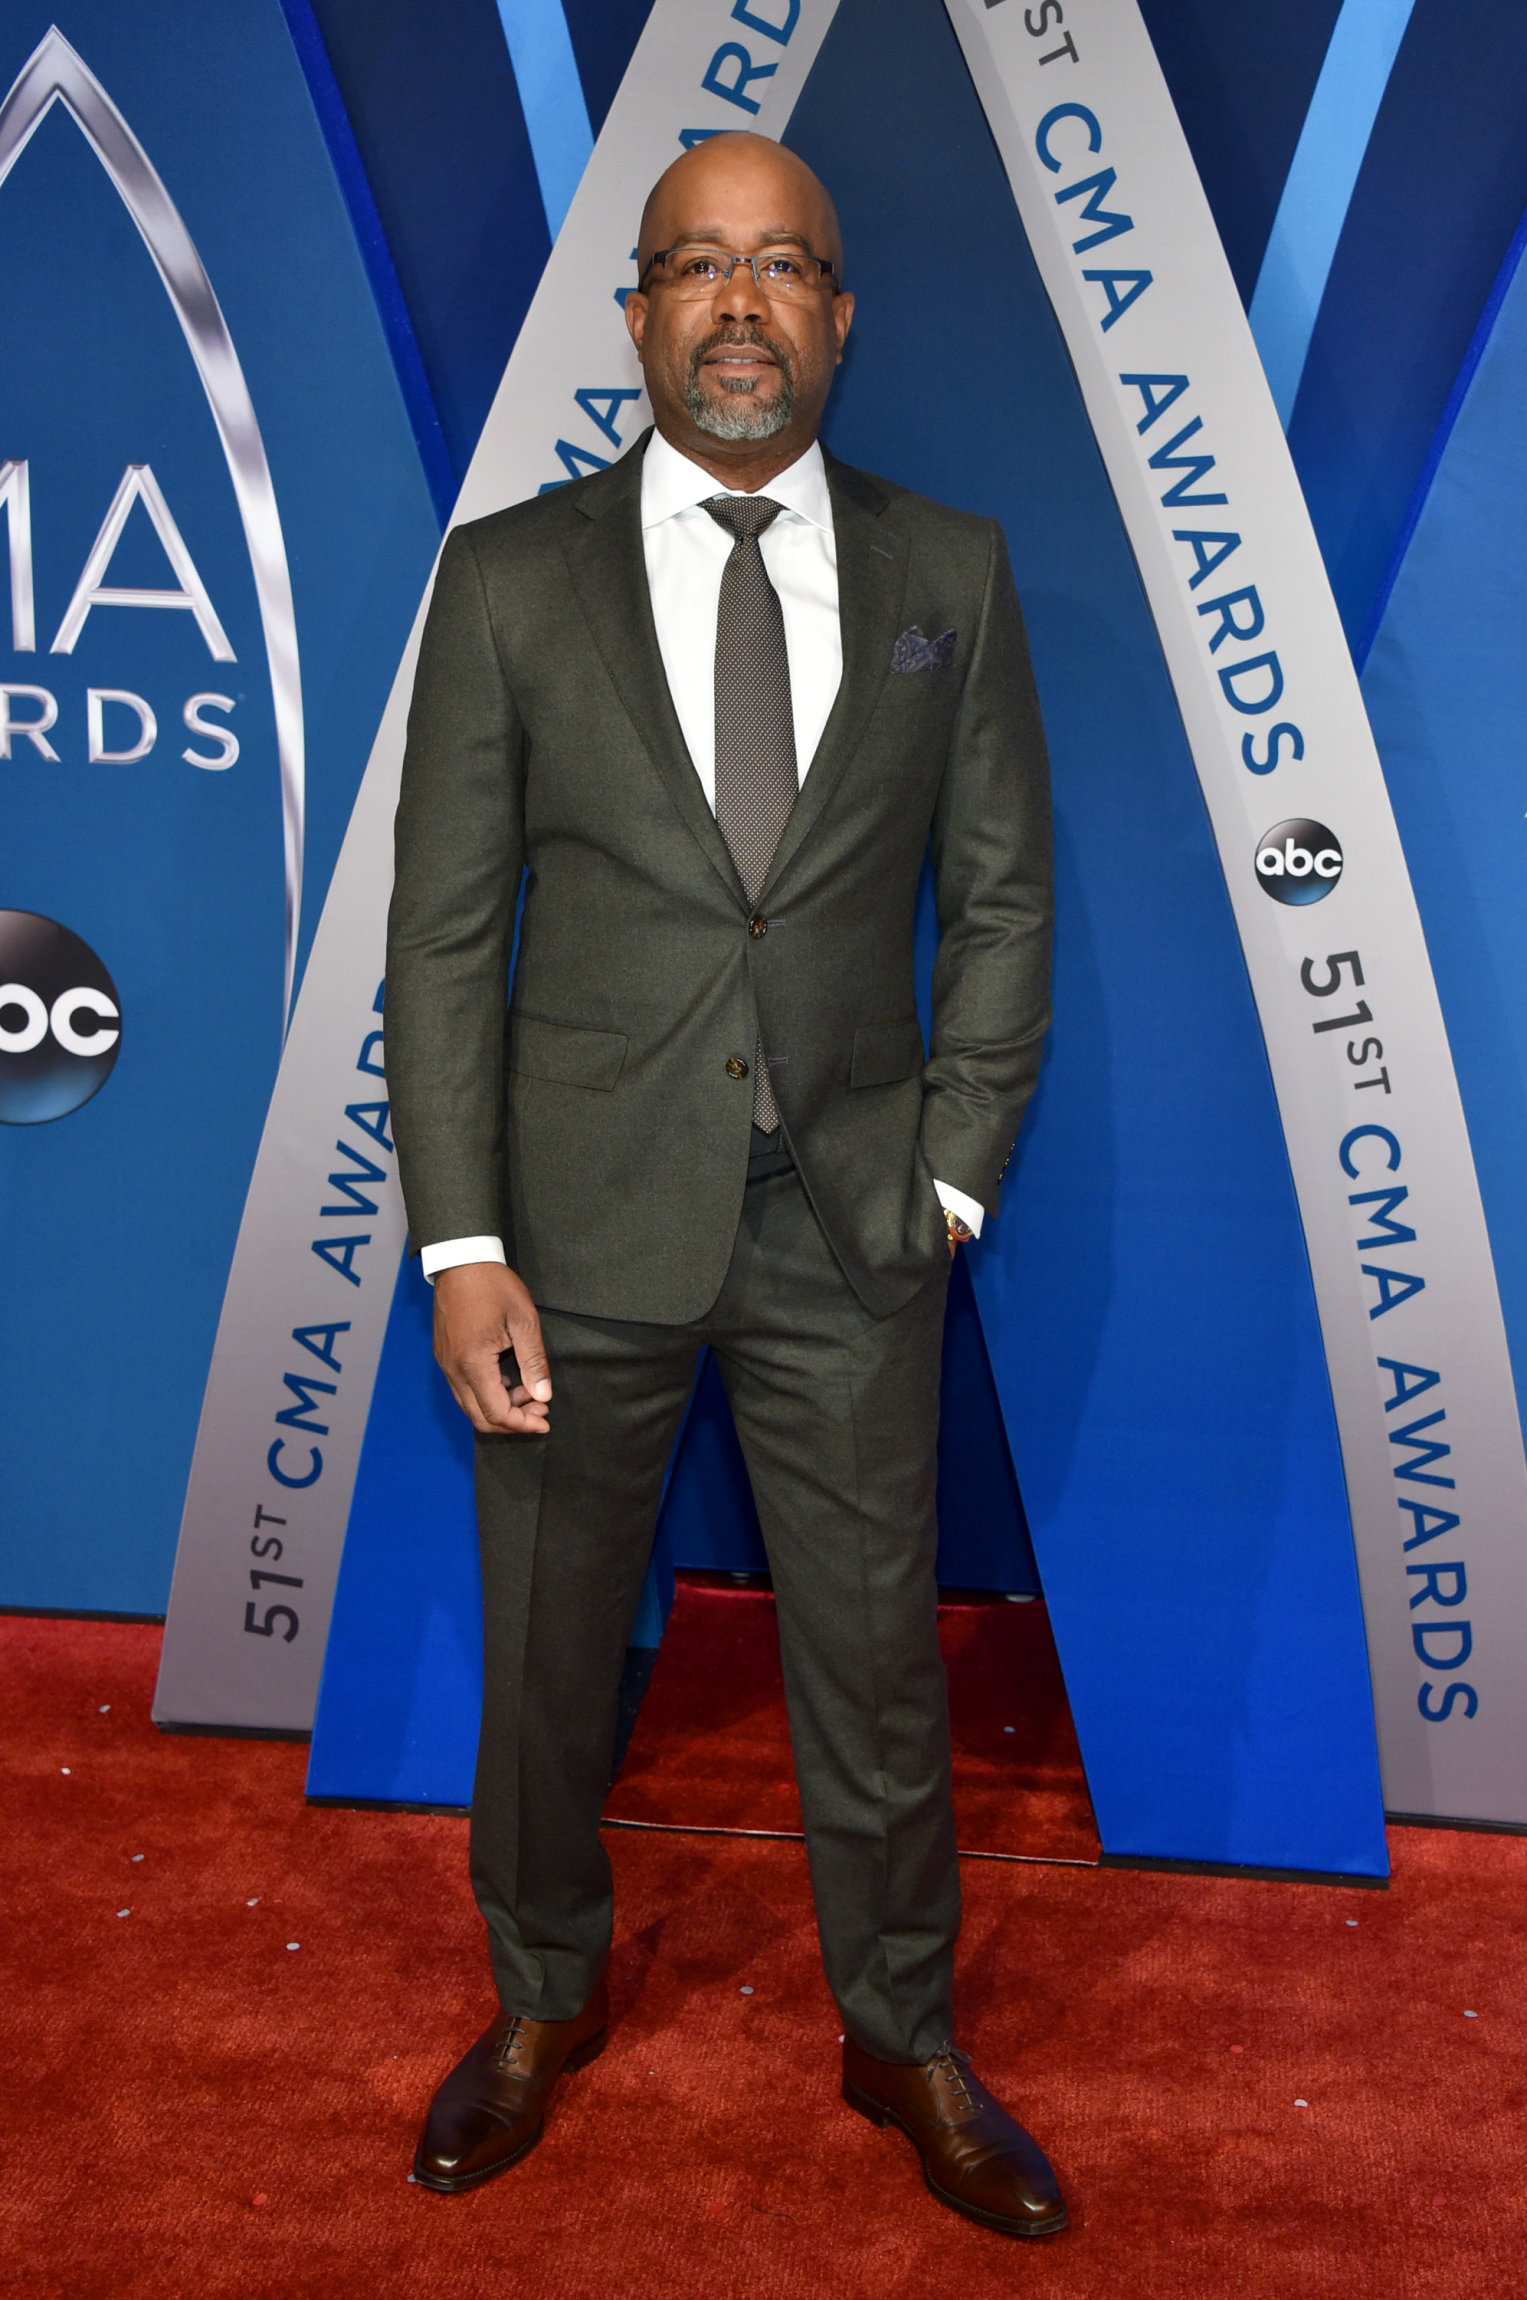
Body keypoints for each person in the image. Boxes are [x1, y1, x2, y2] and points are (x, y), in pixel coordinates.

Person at [385, 130, 1061, 2239]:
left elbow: (1006, 901)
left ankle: (901, 2034)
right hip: (570, 1224)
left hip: (848, 1222)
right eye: (697, 266)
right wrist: (463, 1243)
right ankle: (538, 1998)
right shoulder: (508, 577)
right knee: (544, 1647)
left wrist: (945, 1182)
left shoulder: (948, 571)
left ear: (839, 318)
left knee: (869, 1658)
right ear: (640, 317)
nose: (740, 305)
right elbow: (439, 934)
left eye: (783, 269)